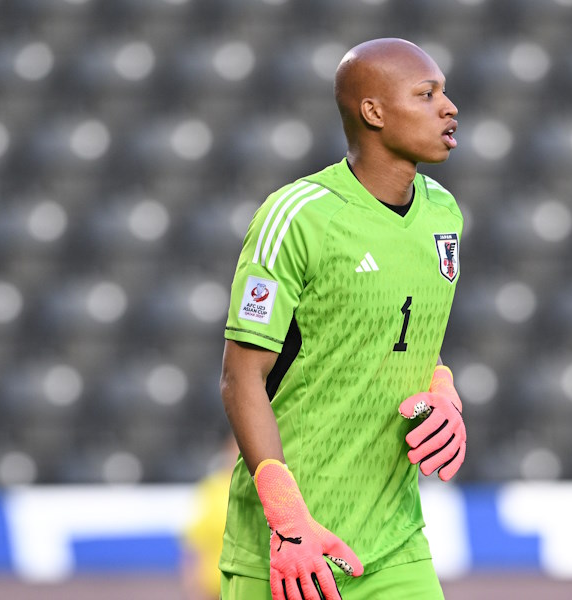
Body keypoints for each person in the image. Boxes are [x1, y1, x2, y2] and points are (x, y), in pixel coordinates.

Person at [218, 37, 466, 600]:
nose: (449, 108)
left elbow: (404, 333)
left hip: (395, 543)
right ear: (373, 112)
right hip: (287, 552)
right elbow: (241, 378)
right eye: (426, 94)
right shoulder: (297, 216)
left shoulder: (443, 213)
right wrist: (287, 519)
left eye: (444, 93)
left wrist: (443, 388)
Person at [180, 432, 240, 600]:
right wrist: (191, 582)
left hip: (245, 585)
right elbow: (194, 540)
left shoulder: (260, 489)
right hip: (212, 585)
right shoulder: (210, 489)